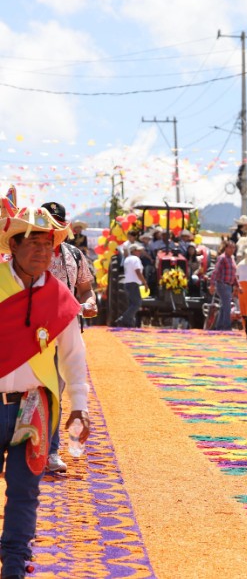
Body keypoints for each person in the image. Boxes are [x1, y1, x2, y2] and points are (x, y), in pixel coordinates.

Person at [0, 204, 91, 578]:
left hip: (35, 407)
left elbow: (73, 354)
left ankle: (14, 566)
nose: (42, 251)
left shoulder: (59, 298)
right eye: (34, 243)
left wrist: (79, 406)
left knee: (25, 493)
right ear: (14, 245)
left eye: (48, 244)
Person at [41, 201, 99, 474]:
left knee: (55, 394)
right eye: (47, 221)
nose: (53, 227)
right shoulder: (30, 253)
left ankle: (50, 452)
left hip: (66, 333)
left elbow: (86, 288)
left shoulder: (75, 255)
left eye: (57, 222)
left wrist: (89, 303)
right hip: (33, 334)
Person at [208, 241, 241, 331]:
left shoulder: (232, 259)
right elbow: (216, 271)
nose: (232, 250)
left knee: (224, 306)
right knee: (227, 306)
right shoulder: (222, 258)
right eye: (230, 247)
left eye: (233, 248)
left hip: (229, 286)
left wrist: (238, 285)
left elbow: (233, 274)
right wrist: (212, 284)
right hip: (222, 284)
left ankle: (219, 326)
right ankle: (226, 327)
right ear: (225, 248)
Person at [114, 244, 148, 327]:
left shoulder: (127, 259)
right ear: (133, 251)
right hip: (133, 284)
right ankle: (123, 319)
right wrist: (144, 282)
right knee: (137, 304)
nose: (140, 252)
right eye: (138, 250)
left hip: (127, 283)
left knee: (132, 304)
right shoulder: (135, 259)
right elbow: (137, 271)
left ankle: (130, 323)